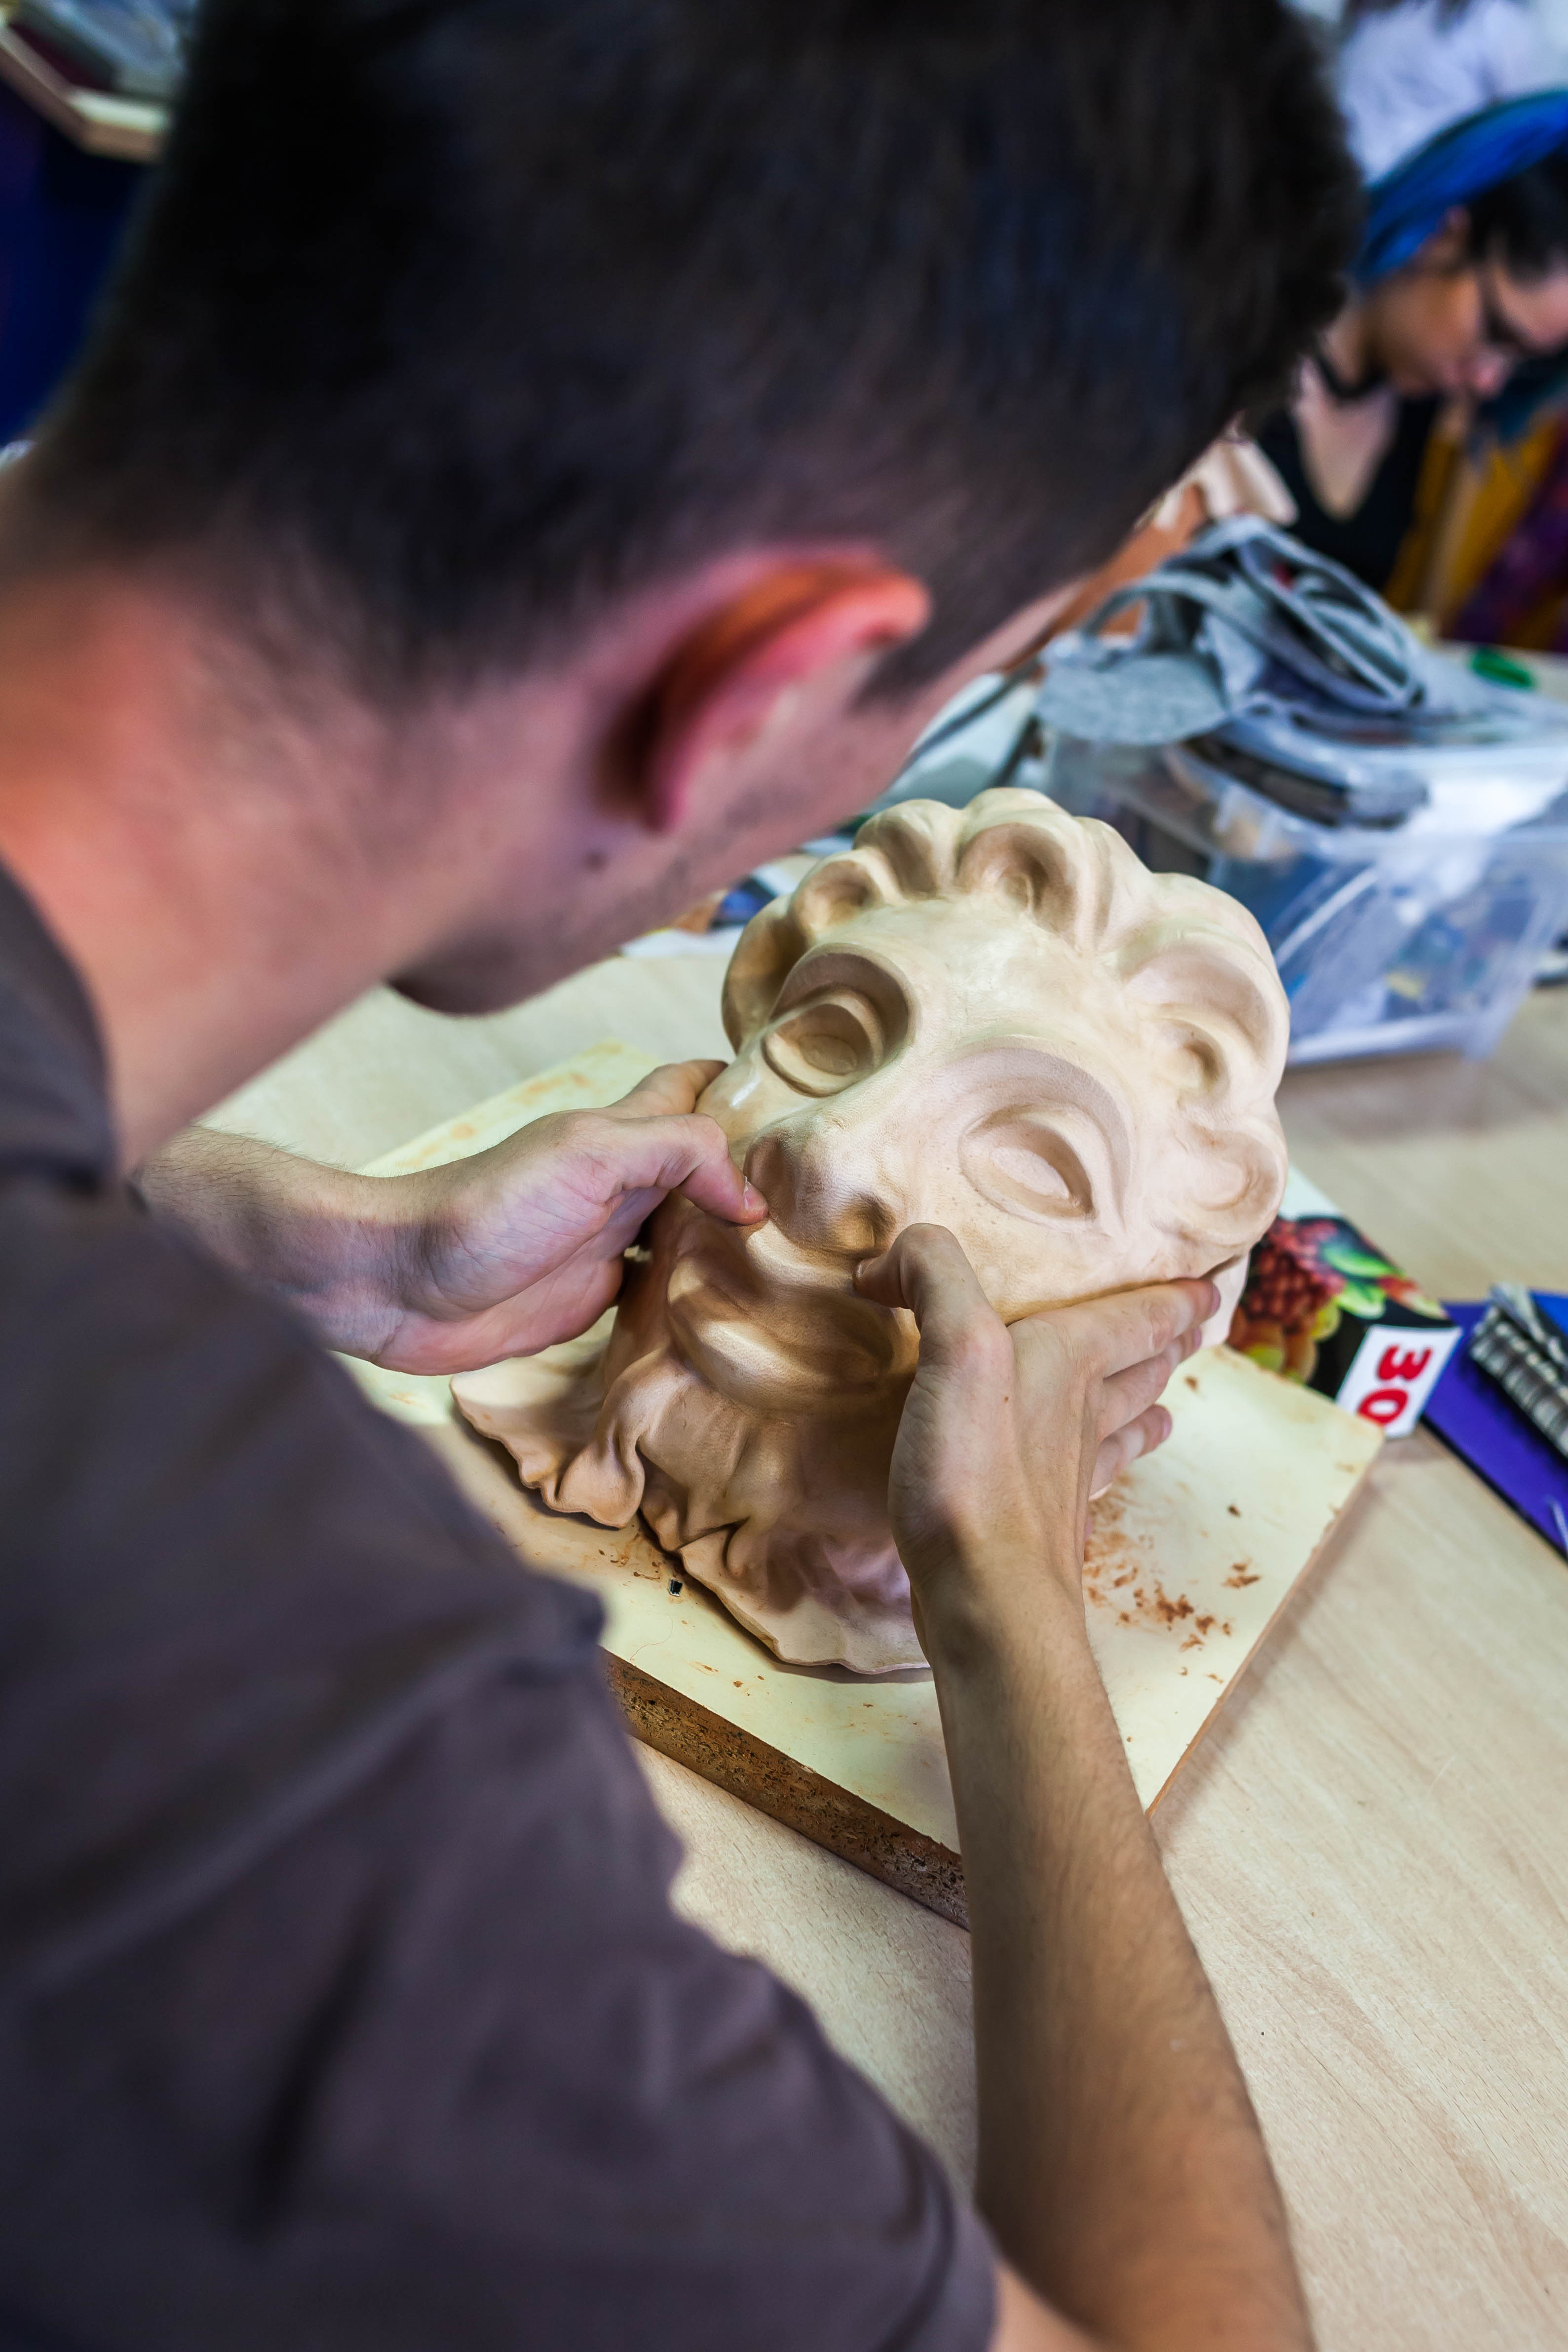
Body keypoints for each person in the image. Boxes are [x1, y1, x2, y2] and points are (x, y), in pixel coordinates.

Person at [0, 4, 1356, 2348]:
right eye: (922, 707)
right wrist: (1013, 1604)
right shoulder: (253, 1713)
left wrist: (272, 1237)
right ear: (756, 686)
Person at [1257, 87, 1568, 601]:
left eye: (1523, 363)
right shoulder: (1250, 328)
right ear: (1443, 236)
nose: (1488, 381)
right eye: (1495, 332)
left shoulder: (1418, 407)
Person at [1338, 0, 1553, 182]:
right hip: (1345, 182)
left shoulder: (1497, 20)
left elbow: (1524, 133)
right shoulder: (1374, 11)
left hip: (1423, 193)